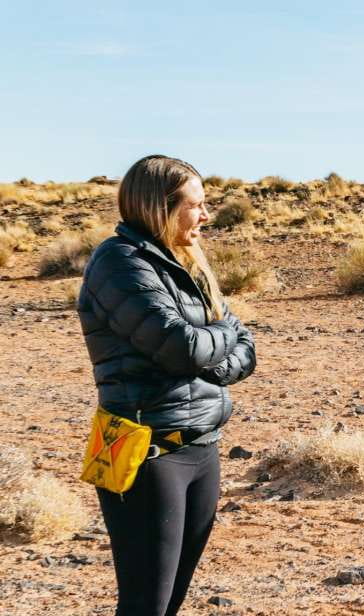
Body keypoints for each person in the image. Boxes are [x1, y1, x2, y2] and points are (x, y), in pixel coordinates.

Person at [77, 155, 257, 616]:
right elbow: (182, 348)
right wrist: (216, 346)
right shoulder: (119, 263)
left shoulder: (187, 261)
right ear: (160, 206)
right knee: (145, 605)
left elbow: (245, 345)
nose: (205, 215)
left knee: (170, 602)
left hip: (201, 445)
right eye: (195, 205)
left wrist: (211, 358)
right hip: (145, 454)